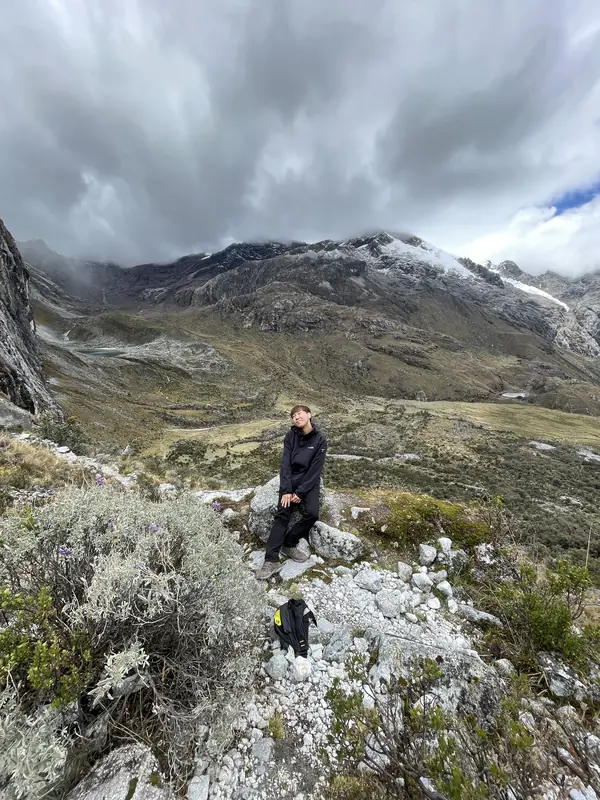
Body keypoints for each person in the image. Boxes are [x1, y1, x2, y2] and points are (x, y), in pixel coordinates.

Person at [256, 405, 327, 580]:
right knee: (282, 514)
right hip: (291, 479)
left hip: (309, 482)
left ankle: (289, 543)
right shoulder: (290, 436)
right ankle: (271, 559)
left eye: (299, 414)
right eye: (293, 416)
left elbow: (315, 470)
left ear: (309, 415)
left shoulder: (320, 439)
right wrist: (287, 490)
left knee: (312, 513)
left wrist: (301, 493)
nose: (296, 417)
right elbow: (285, 464)